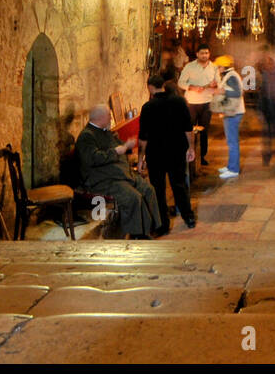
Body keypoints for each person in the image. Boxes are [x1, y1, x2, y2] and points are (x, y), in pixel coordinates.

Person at [75, 104, 161, 238]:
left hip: (119, 173)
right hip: (102, 179)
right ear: (101, 117)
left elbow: (120, 146)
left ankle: (152, 228)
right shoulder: (86, 136)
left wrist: (127, 146)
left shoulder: (105, 131)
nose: (111, 119)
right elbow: (92, 158)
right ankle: (137, 234)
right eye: (109, 116)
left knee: (148, 189)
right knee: (133, 197)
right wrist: (116, 151)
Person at [137, 75, 196, 233]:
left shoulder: (148, 107)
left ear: (149, 87)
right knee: (179, 184)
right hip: (177, 151)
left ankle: (163, 224)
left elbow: (143, 137)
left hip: (156, 154)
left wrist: (140, 159)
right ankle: (188, 217)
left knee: (158, 188)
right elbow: (188, 129)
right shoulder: (179, 102)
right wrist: (191, 148)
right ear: (163, 85)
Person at [178, 45, 219, 166]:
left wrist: (214, 84)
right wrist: (192, 87)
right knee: (189, 129)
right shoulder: (190, 67)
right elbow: (180, 82)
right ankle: (188, 154)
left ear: (209, 54)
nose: (204, 55)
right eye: (202, 53)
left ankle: (202, 156)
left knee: (204, 131)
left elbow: (218, 82)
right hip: (191, 102)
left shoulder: (214, 67)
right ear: (197, 54)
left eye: (206, 53)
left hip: (207, 102)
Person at [215, 56, 245, 179]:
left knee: (232, 142)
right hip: (232, 112)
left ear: (223, 67)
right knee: (231, 141)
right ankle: (230, 166)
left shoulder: (231, 76)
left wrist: (222, 92)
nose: (217, 69)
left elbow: (237, 93)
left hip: (234, 113)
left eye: (218, 67)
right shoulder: (229, 75)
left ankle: (233, 169)